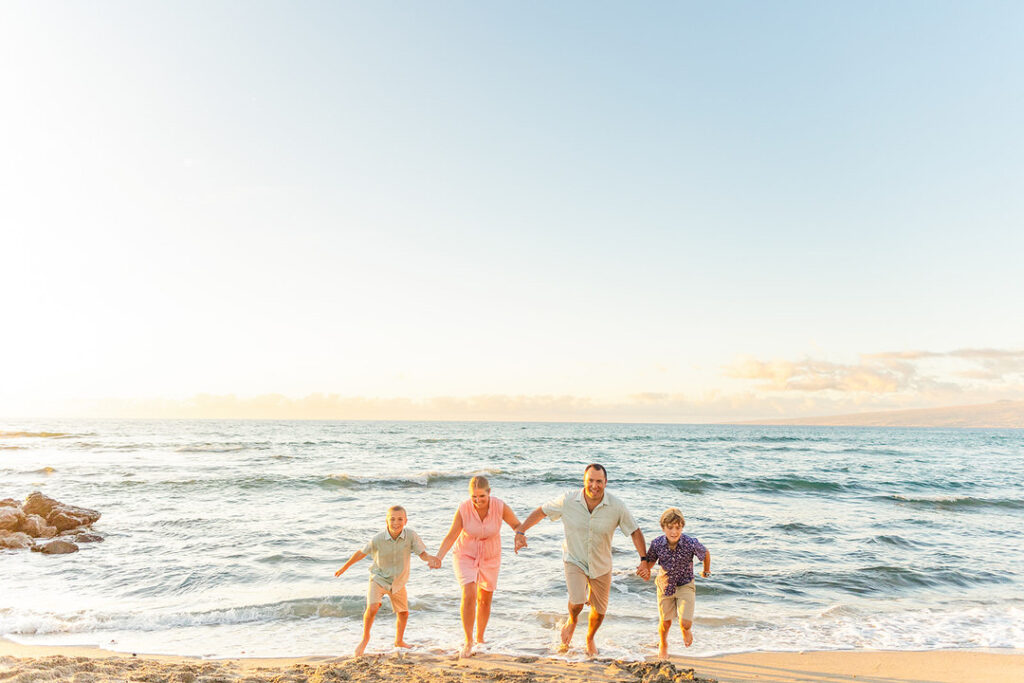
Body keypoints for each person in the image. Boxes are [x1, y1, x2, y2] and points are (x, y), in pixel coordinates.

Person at [514, 463, 648, 656]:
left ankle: (590, 638)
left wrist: (644, 559)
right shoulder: (568, 500)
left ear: (606, 482)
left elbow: (635, 531)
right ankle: (572, 620)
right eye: (590, 481)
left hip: (601, 564)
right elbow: (541, 511)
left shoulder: (616, 506)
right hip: (574, 559)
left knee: (600, 611)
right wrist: (521, 531)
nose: (594, 485)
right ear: (584, 481)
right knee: (577, 602)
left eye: (599, 481)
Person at [334, 505, 441, 656]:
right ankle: (365, 638)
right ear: (386, 521)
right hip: (378, 578)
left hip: (398, 581)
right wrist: (345, 567)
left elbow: (421, 553)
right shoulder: (378, 539)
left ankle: (399, 641)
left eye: (400, 519)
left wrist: (430, 558)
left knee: (403, 613)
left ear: (406, 521)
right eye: (392, 519)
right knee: (372, 607)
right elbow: (361, 553)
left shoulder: (410, 535)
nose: (396, 522)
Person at [435, 475, 523, 658]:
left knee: (485, 599)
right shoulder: (464, 508)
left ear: (489, 492)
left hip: (490, 556)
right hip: (465, 554)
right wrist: (439, 557)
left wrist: (519, 536)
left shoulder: (500, 506)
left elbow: (516, 524)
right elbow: (452, 535)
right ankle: (468, 640)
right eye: (474, 497)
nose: (477, 500)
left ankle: (480, 639)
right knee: (469, 594)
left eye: (481, 496)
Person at [640, 507, 711, 657]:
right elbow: (650, 561)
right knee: (665, 622)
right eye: (670, 528)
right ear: (663, 528)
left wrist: (706, 571)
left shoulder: (690, 543)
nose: (674, 532)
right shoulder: (657, 543)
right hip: (664, 586)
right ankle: (663, 643)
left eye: (677, 528)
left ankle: (685, 630)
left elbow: (705, 553)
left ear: (682, 527)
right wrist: (645, 570)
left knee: (686, 622)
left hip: (685, 585)